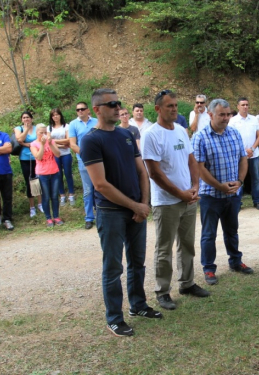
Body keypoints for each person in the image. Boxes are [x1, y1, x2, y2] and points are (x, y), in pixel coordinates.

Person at [81, 88, 162, 338]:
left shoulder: (127, 134)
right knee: (113, 267)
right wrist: (135, 206)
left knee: (138, 262)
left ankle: (138, 305)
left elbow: (142, 171)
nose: (117, 107)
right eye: (111, 104)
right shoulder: (91, 140)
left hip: (136, 210)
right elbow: (100, 184)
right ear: (97, 109)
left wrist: (144, 203)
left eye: (118, 103)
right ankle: (114, 318)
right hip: (111, 212)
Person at [143, 89, 210, 311]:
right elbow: (154, 173)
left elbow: (191, 161)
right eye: (169, 106)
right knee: (164, 248)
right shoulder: (151, 135)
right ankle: (162, 292)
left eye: (175, 105)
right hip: (166, 202)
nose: (173, 109)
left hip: (188, 198)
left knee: (187, 244)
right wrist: (179, 193)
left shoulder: (181, 130)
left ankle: (187, 283)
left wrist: (194, 186)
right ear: (158, 109)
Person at [192, 98, 252, 286]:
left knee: (232, 230)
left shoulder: (234, 133)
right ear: (210, 115)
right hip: (211, 195)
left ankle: (235, 261)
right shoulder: (200, 137)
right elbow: (199, 169)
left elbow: (243, 159)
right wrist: (219, 186)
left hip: (233, 194)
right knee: (209, 234)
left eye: (228, 114)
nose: (226, 118)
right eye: (222, 115)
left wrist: (240, 181)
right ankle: (209, 269)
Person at [228, 97, 259, 210]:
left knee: (255, 178)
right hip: (239, 155)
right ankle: (238, 202)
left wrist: (252, 149)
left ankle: (257, 201)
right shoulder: (233, 121)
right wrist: (243, 151)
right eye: (243, 105)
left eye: (247, 104)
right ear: (238, 106)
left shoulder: (253, 119)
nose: (245, 107)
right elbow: (231, 138)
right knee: (239, 179)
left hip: (254, 154)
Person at [69, 101, 97, 229]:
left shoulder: (96, 122)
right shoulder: (73, 124)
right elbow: (73, 144)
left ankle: (101, 214)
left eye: (82, 109)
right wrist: (84, 154)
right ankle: (89, 217)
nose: (80, 111)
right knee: (88, 190)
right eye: (77, 110)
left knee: (100, 187)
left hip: (98, 160)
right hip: (83, 160)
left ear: (88, 110)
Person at [30, 124, 63, 227]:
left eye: (45, 132)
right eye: (41, 133)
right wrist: (43, 145)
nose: (43, 134)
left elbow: (58, 154)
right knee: (46, 197)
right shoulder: (33, 144)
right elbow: (38, 157)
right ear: (37, 133)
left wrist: (50, 143)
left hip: (54, 171)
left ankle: (56, 216)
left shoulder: (51, 141)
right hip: (42, 173)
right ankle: (48, 218)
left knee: (54, 196)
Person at [14, 111, 43, 217]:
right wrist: (26, 129)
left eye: (28, 117)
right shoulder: (18, 129)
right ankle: (32, 207)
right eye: (24, 118)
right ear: (22, 119)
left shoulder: (37, 128)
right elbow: (19, 139)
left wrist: (28, 144)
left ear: (31, 118)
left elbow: (39, 141)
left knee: (38, 180)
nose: (26, 119)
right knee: (29, 181)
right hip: (25, 158)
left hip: (37, 157)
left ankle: (40, 204)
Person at [48, 108, 75, 207]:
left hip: (66, 154)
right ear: (51, 117)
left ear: (60, 115)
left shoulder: (66, 126)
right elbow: (48, 141)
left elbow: (68, 140)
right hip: (55, 154)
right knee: (58, 175)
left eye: (57, 114)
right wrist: (60, 144)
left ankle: (71, 194)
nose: (55, 116)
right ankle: (62, 195)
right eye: (53, 115)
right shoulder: (49, 128)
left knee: (68, 173)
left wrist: (54, 141)